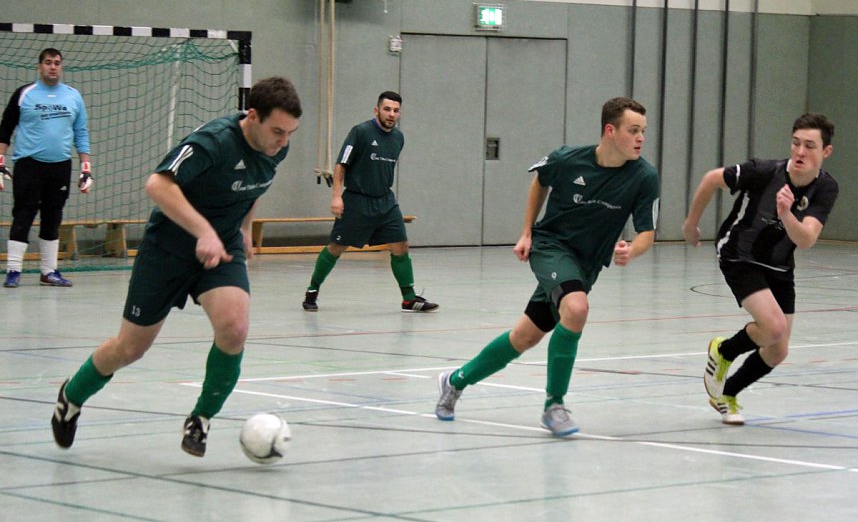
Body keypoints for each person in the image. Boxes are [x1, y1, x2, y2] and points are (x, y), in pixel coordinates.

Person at [50, 76, 303, 457]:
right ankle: (71, 396)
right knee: (130, 348)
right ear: (252, 116)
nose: (284, 141)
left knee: (234, 328)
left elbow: (255, 185)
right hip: (168, 248)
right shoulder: (213, 143)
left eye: (290, 133)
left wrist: (246, 229)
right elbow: (158, 185)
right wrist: (202, 231)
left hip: (222, 247)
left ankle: (200, 419)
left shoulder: (275, 148)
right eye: (278, 131)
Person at [434, 97, 660, 436]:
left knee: (524, 337)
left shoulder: (644, 176)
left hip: (585, 266)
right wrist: (526, 231)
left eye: (643, 131)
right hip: (551, 247)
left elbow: (647, 232)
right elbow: (540, 180)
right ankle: (554, 405)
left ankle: (455, 380)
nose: (641, 138)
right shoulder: (568, 159)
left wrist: (632, 250)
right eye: (633, 130)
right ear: (610, 131)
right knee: (576, 307)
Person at [683, 113, 838, 426]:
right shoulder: (764, 172)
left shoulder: (826, 188)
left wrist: (785, 212)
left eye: (810, 146)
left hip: (780, 265)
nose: (800, 152)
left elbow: (806, 238)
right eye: (796, 143)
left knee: (778, 350)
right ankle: (724, 351)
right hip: (739, 255)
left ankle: (727, 393)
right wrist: (691, 223)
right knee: (773, 327)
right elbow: (712, 178)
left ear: (826, 152)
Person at [302, 91, 438, 313]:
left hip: (385, 201)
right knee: (336, 247)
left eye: (396, 110)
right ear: (376, 110)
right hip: (357, 200)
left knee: (401, 246)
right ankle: (312, 290)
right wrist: (336, 195)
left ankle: (409, 298)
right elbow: (341, 164)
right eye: (387, 109)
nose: (391, 114)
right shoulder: (361, 132)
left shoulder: (398, 138)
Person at [0, 48, 93, 288]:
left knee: (53, 217)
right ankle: (13, 271)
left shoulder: (73, 96)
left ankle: (49, 272)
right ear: (40, 66)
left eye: (57, 63)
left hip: (60, 166)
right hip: (28, 165)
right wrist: (0, 162)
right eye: (48, 63)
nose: (53, 67)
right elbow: (5, 129)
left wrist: (86, 167)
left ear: (61, 67)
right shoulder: (24, 94)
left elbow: (81, 133)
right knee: (23, 214)